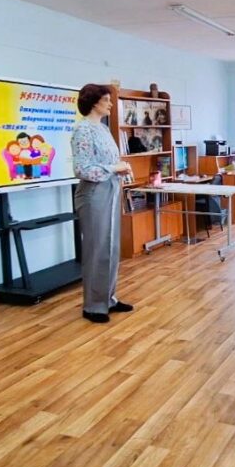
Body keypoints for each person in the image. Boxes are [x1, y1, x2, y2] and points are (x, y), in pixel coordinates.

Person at [71, 84, 134, 323]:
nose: (110, 104)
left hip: (110, 189)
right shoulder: (83, 130)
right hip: (93, 194)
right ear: (93, 102)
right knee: (97, 248)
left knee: (111, 247)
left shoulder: (103, 128)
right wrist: (114, 168)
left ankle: (108, 298)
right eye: (107, 100)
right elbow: (82, 168)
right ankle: (93, 306)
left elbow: (110, 161)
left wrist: (121, 168)